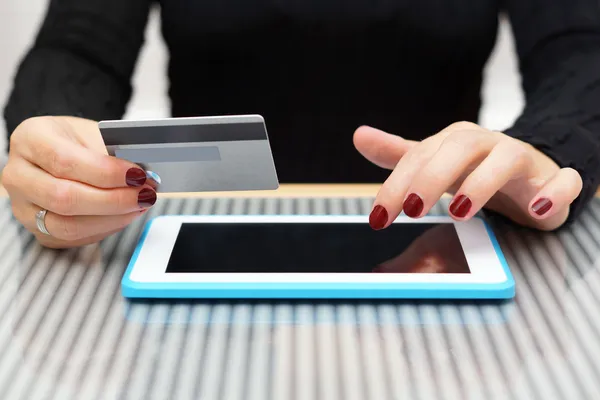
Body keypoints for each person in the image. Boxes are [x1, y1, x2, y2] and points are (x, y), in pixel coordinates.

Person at [1, 0, 599, 249]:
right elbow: (77, 48)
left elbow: (581, 52)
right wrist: (55, 146)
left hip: (437, 249)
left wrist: (543, 152)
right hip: (201, 258)